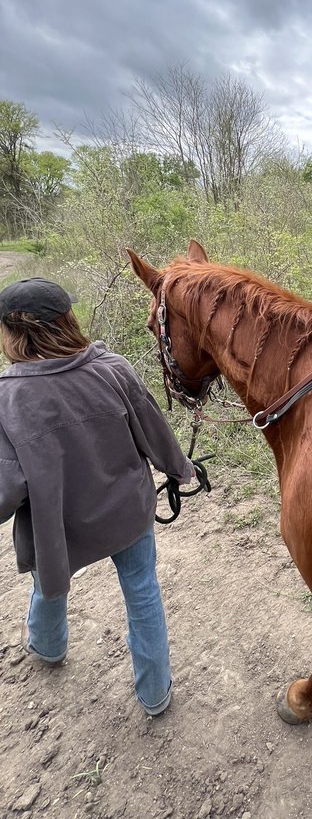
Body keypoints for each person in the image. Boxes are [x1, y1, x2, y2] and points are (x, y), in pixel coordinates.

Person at [0, 277, 195, 716]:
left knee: (49, 584)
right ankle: (155, 693)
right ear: (67, 320)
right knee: (143, 592)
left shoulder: (7, 400)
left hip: (60, 528)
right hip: (128, 513)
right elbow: (154, 430)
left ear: (13, 334)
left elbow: (6, 491)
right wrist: (180, 470)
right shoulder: (112, 368)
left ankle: (47, 647)